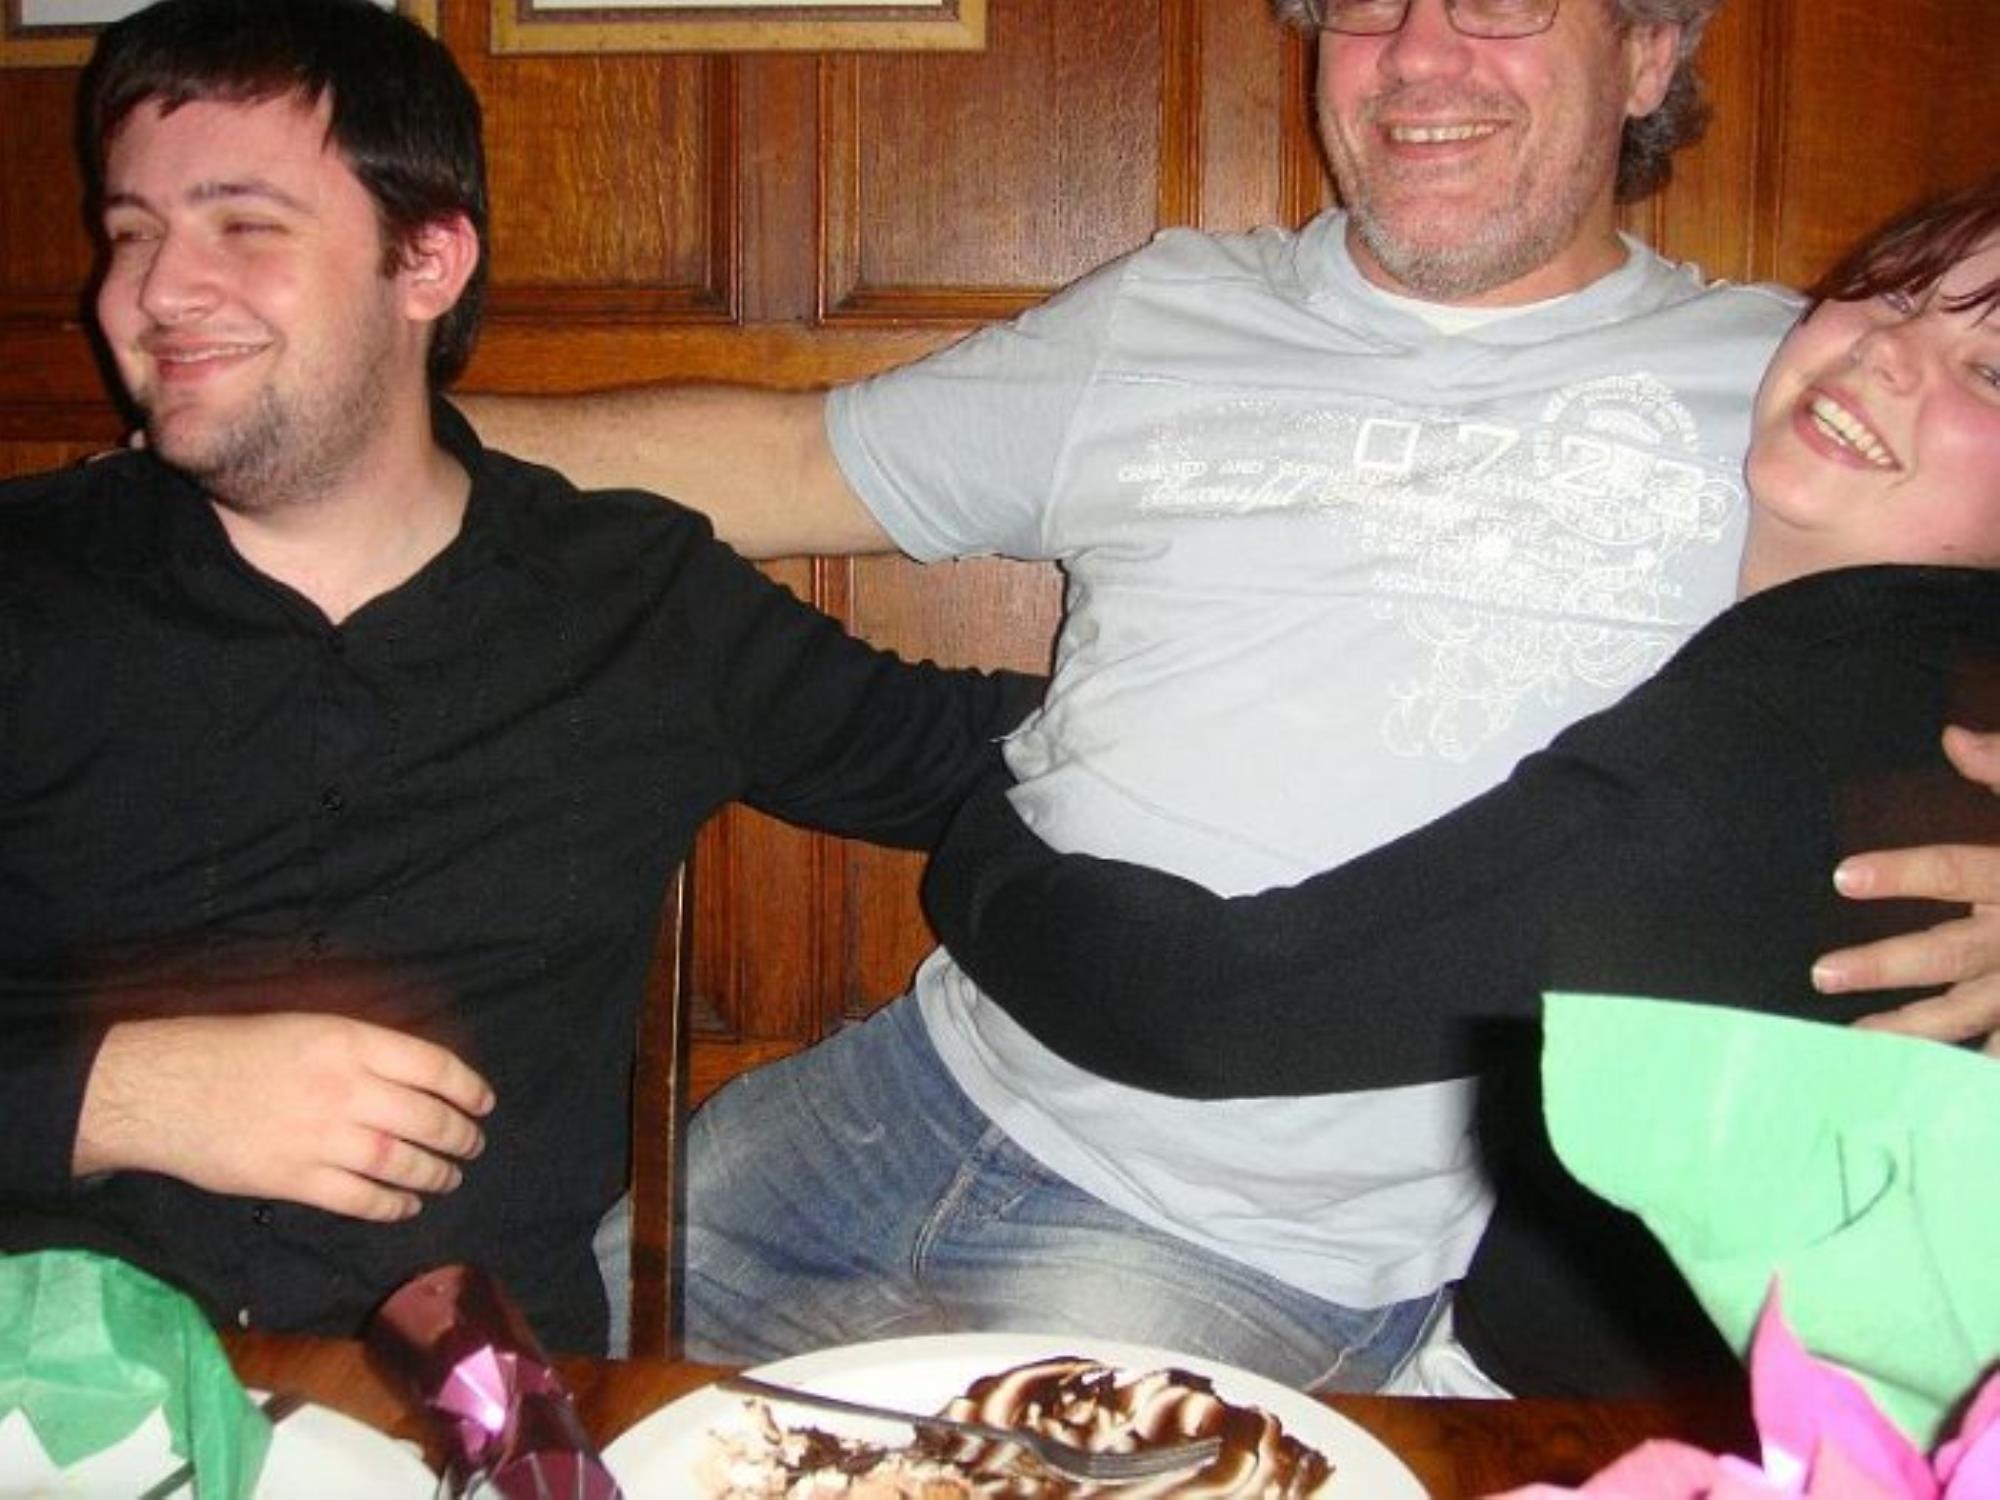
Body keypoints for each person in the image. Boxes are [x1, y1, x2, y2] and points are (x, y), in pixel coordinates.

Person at [464, 0, 2000, 1386]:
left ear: (1649, 54)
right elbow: (796, 461)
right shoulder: (1169, 308)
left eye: (1501, 4)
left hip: (1249, 1250)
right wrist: (391, 450)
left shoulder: (1815, 408)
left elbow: (1908, 671)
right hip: (906, 1087)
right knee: (512, 1428)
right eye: (1366, 5)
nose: (1420, 54)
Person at [0, 0, 1038, 1354]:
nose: (155, 292)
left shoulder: (636, 603)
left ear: (427, 261)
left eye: (243, 225)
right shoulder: (27, 586)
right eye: (133, 231)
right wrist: (117, 1096)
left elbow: (990, 751)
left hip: (462, 1411)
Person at [918, 176, 2000, 1396]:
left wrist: (975, 832)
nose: (1890, 354)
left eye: (1990, 372)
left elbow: (1213, 1010)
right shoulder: (1900, 684)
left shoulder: (1789, 728)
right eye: (1893, 296)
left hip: (1648, 1429)